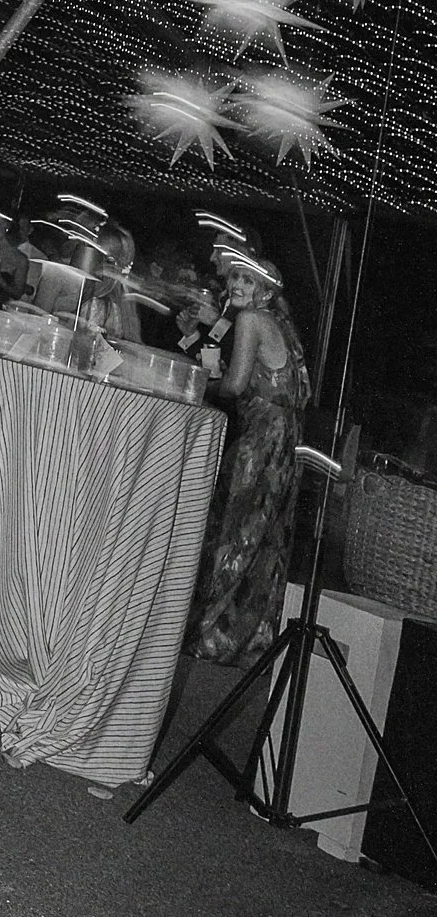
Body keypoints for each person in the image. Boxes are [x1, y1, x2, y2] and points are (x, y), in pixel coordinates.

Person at [187, 247, 311, 664]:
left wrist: (201, 382)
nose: (236, 285)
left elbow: (235, 386)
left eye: (247, 280)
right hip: (284, 438)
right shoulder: (280, 323)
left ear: (265, 291)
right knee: (264, 536)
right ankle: (247, 639)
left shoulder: (251, 320)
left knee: (231, 527)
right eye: (234, 278)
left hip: (262, 438)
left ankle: (208, 633)